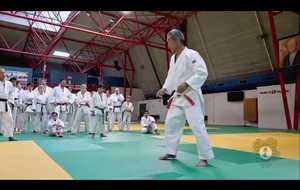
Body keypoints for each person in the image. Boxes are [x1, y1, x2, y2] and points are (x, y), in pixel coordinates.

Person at [156, 28, 214, 167]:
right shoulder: (173, 59)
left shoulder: (191, 54)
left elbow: (202, 73)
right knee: (171, 123)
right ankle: (171, 152)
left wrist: (187, 84)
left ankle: (204, 157)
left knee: (197, 126)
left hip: (191, 96)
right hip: (178, 97)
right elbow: (171, 76)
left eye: (169, 41)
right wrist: (165, 88)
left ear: (177, 40)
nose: (168, 45)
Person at [0, 67, 17, 141]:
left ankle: (10, 136)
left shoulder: (9, 83)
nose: (3, 74)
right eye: (1, 73)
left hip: (5, 103)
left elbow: (12, 93)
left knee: (9, 119)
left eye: (4, 73)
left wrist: (10, 102)